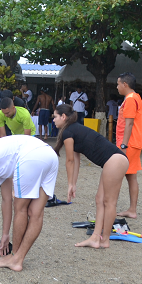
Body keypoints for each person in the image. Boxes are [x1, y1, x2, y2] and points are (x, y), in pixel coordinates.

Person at [0, 135, 58, 271]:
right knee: (35, 212)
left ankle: (15, 257)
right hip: (50, 155)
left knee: (21, 208)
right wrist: (5, 234)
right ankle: (18, 258)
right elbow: (6, 200)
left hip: (31, 156)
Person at [53, 103, 129, 249]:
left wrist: (70, 184)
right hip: (112, 161)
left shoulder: (68, 132)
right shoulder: (72, 130)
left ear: (63, 117)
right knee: (99, 199)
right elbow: (75, 160)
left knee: (109, 201)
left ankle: (105, 240)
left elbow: (69, 161)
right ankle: (95, 237)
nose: (54, 120)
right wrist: (73, 184)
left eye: (55, 117)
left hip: (115, 160)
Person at [115, 72, 142, 220]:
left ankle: (111, 206)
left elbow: (129, 123)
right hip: (133, 142)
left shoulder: (131, 100)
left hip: (129, 143)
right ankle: (131, 209)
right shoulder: (135, 97)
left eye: (118, 84)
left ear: (125, 84)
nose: (117, 87)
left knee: (118, 175)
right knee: (131, 176)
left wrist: (123, 145)